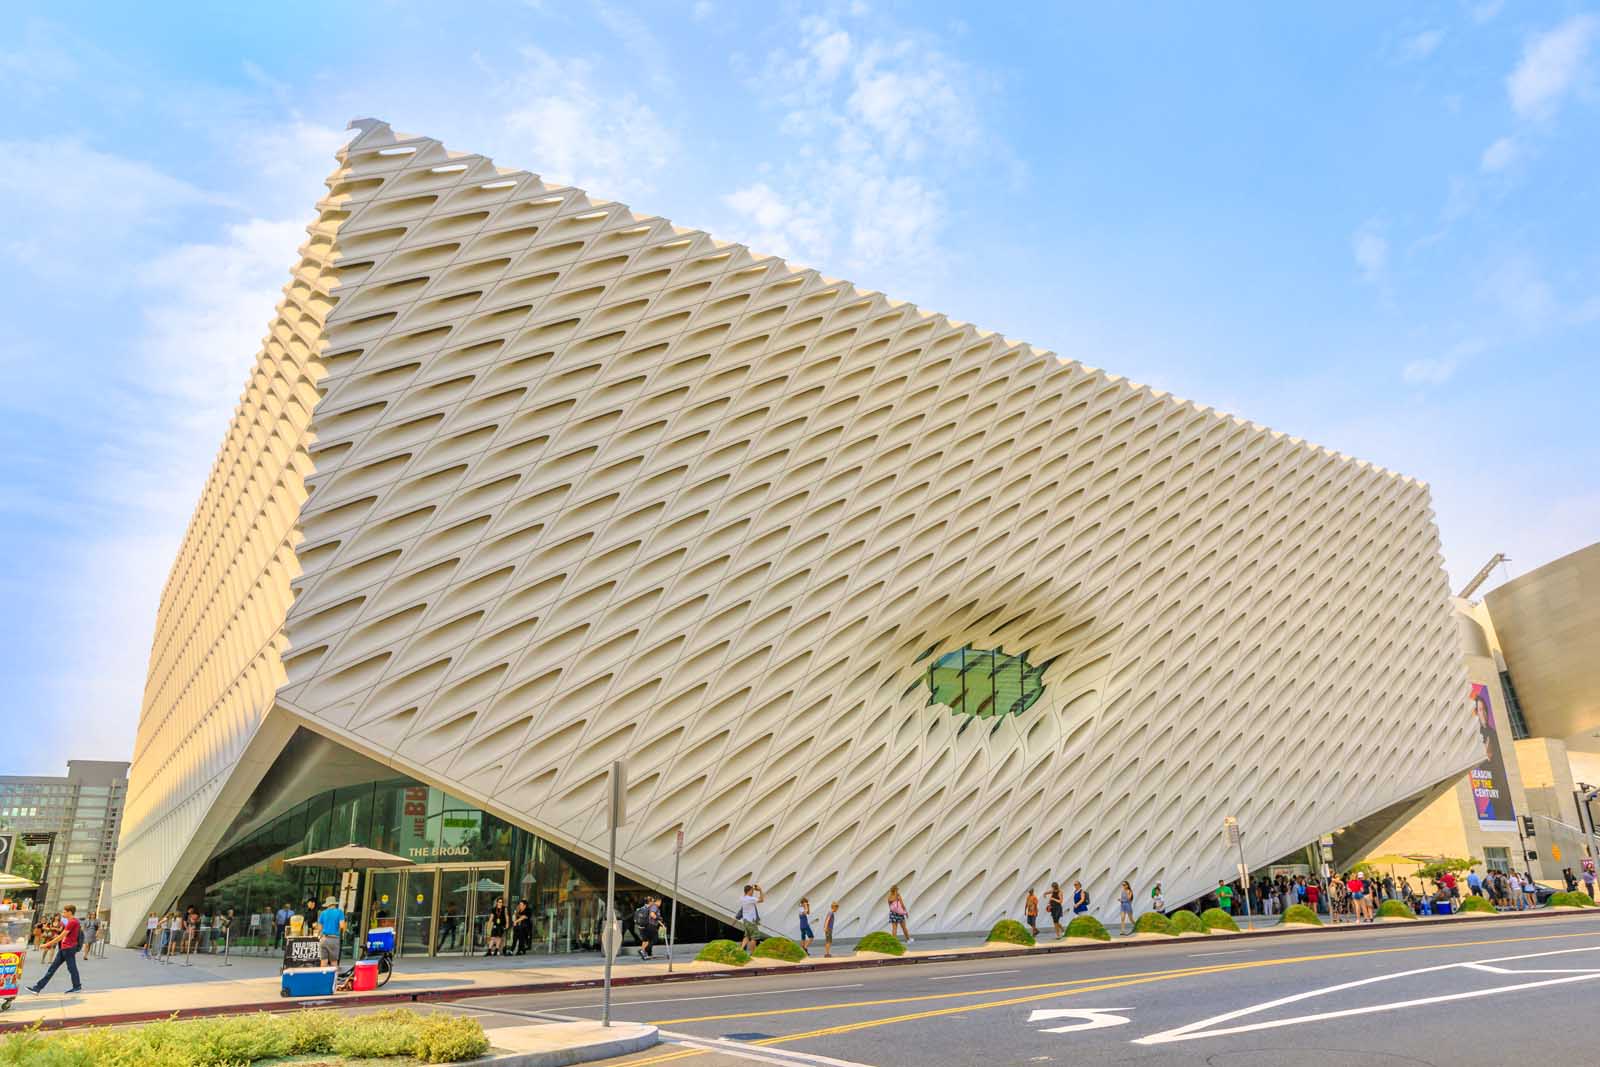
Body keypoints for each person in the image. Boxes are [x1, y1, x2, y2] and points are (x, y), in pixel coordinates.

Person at [27, 904, 83, 994]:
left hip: (68, 949)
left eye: (64, 911)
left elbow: (61, 936)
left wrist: (46, 944)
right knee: (53, 968)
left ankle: (77, 986)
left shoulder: (72, 922)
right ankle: (37, 988)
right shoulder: (72, 921)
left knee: (71, 968)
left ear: (70, 912)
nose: (63, 913)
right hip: (65, 948)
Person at [317, 896, 346, 966]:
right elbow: (342, 926)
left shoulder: (323, 913)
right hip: (334, 939)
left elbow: (319, 928)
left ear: (327, 904)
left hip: (323, 939)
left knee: (323, 962)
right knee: (333, 962)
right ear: (335, 904)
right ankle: (334, 977)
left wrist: (319, 935)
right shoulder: (339, 912)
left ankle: (323, 976)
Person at [737, 883, 764, 954]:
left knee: (747, 936)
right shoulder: (750, 899)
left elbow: (746, 894)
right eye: (752, 891)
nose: (753, 892)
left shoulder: (742, 898)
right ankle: (753, 953)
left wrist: (751, 888)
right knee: (754, 937)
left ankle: (741, 950)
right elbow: (762, 900)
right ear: (749, 891)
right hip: (751, 921)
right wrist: (760, 890)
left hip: (745, 920)